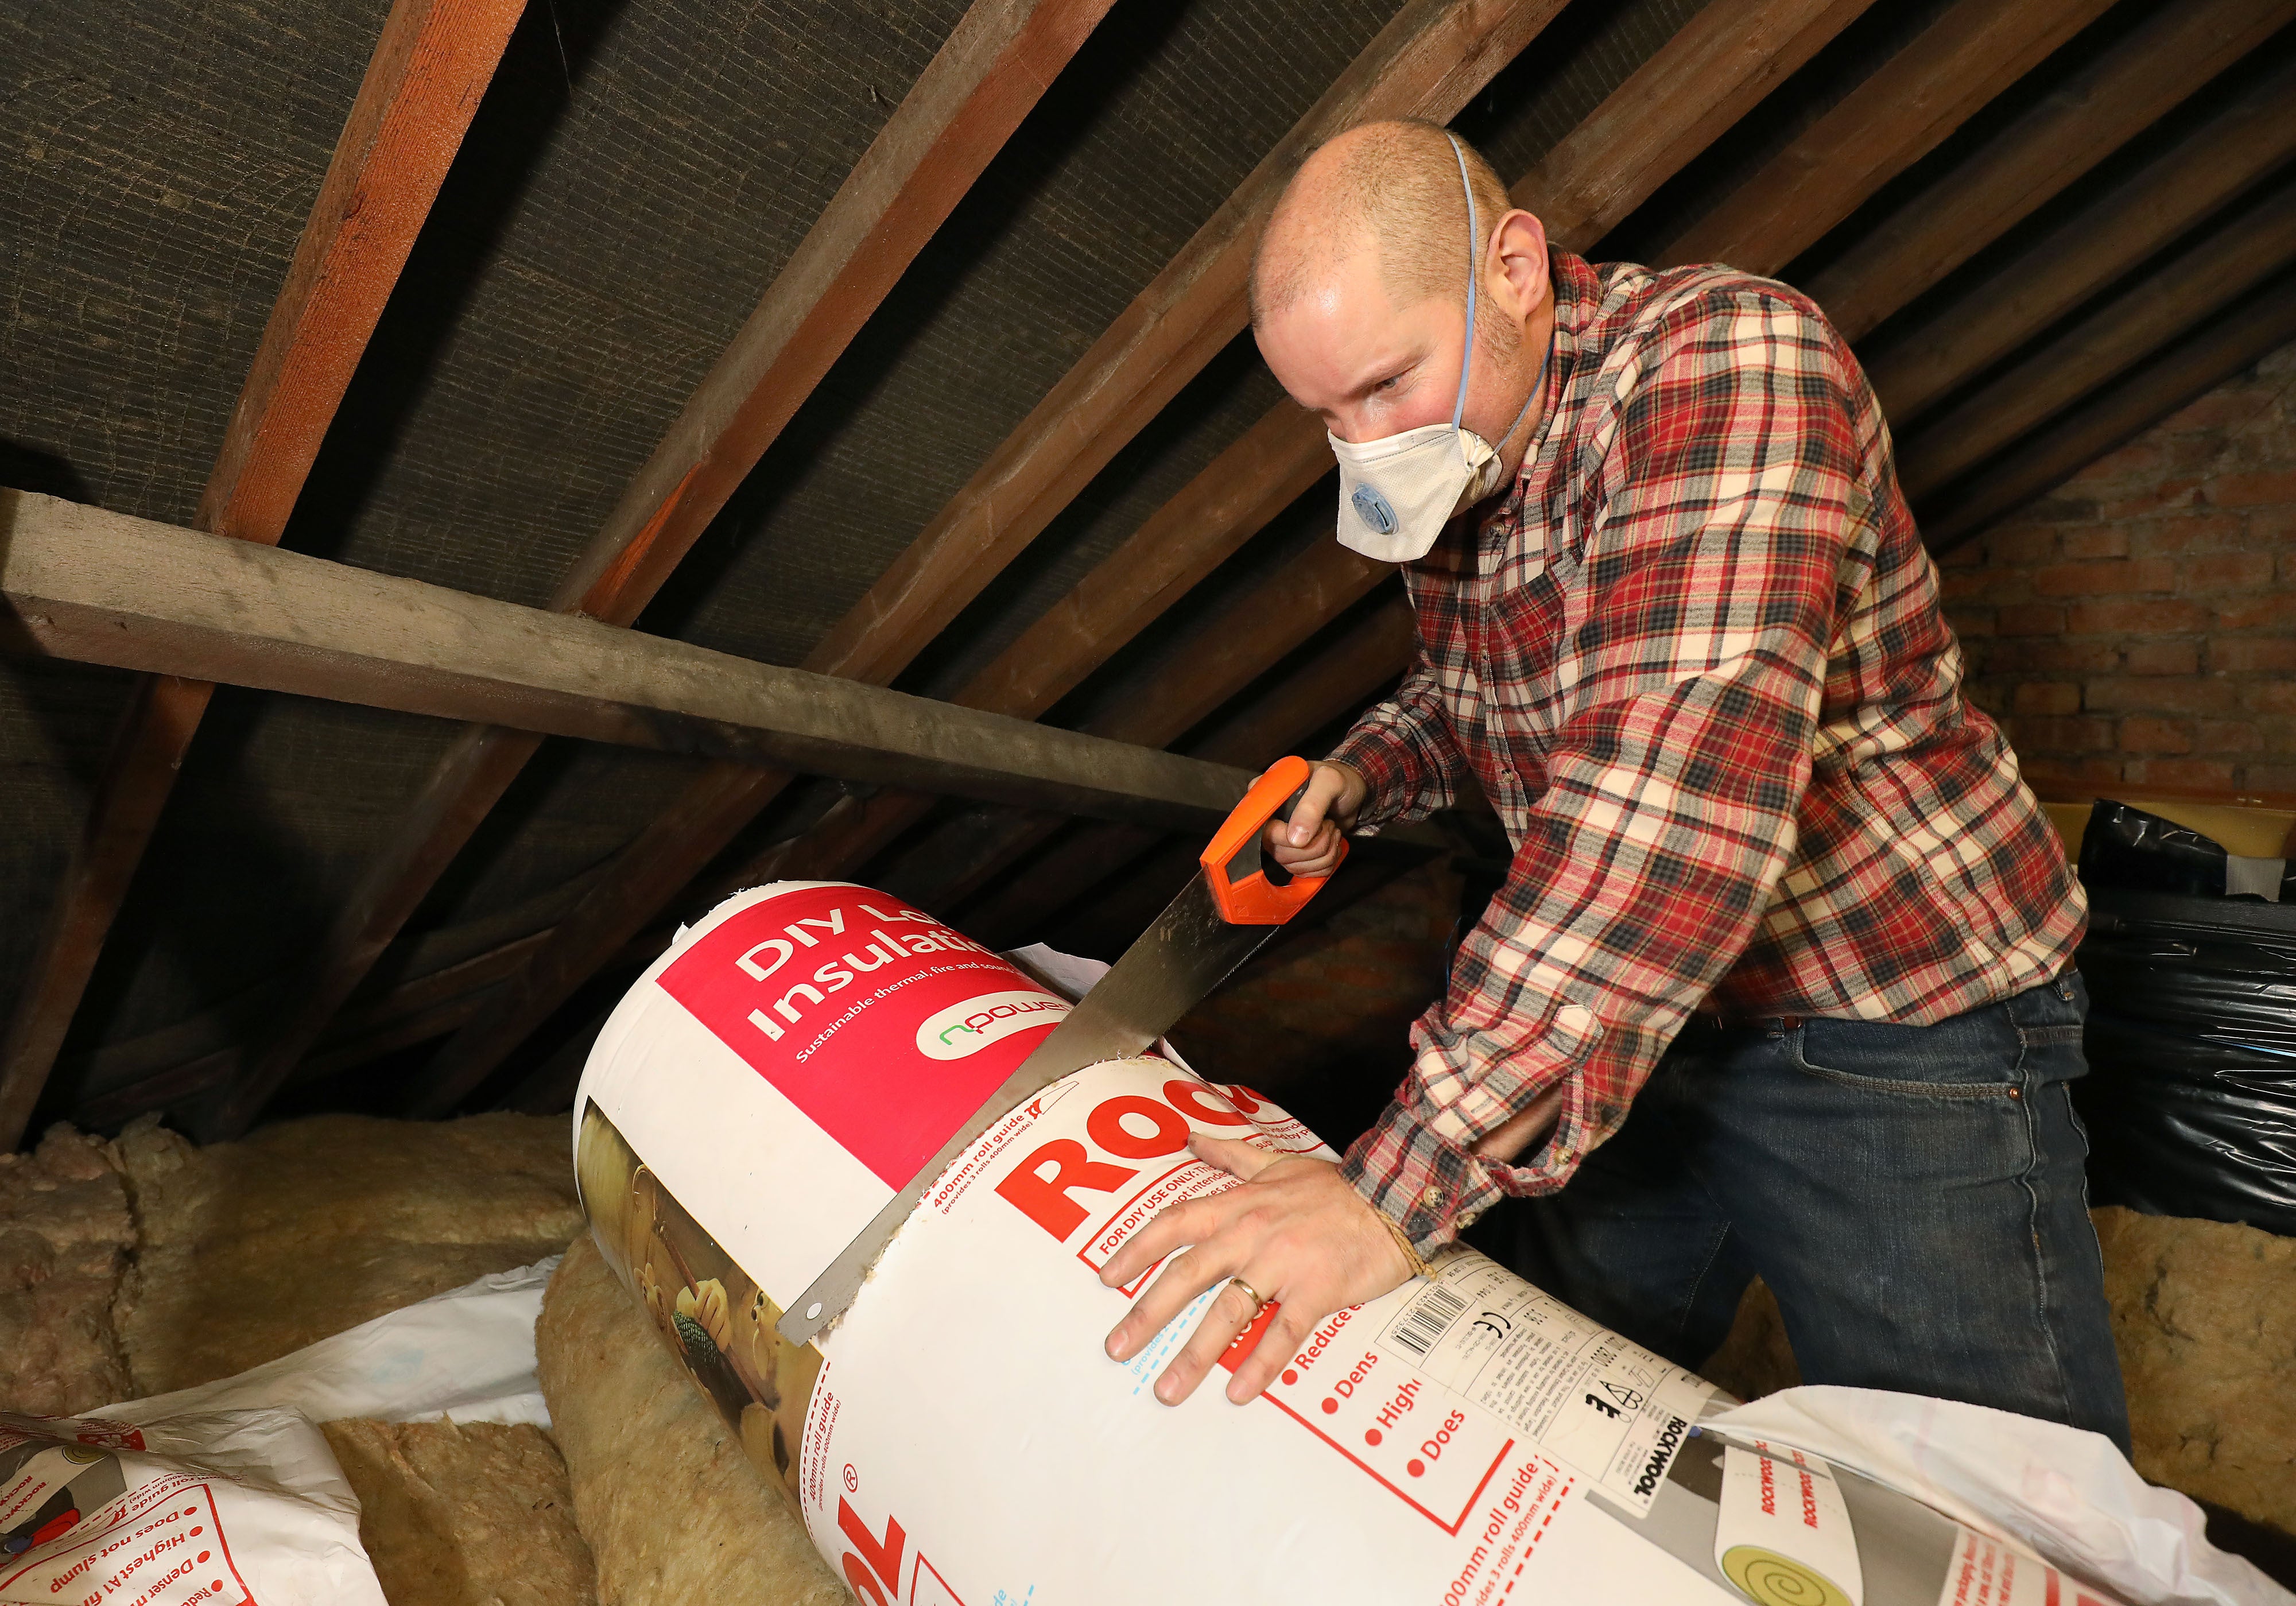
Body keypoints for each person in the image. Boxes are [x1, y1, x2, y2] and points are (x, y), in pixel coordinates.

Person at [1096, 119, 2130, 1450]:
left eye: (1386, 383)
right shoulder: (1467, 460)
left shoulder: (1726, 367)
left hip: (1887, 1020)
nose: (1361, 447)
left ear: (1512, 267)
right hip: (1632, 1031)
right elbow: (1473, 692)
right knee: (1549, 1402)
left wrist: (1383, 1193)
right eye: (1325, 417)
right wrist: (1362, 770)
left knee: (1997, 1494)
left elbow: (1657, 814)